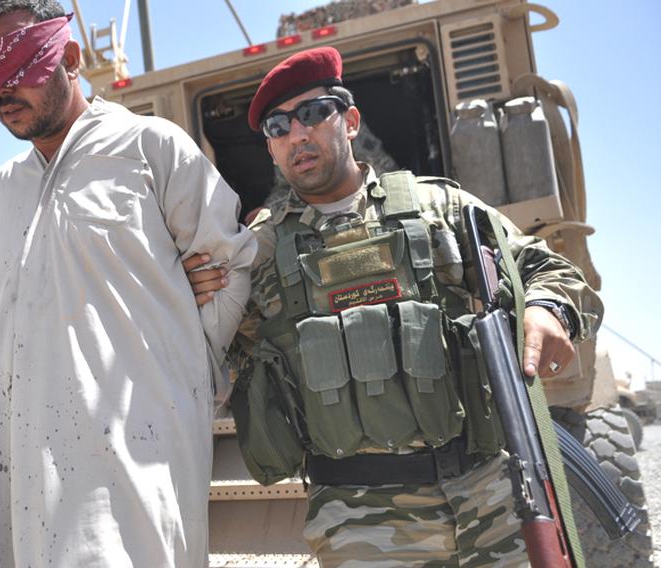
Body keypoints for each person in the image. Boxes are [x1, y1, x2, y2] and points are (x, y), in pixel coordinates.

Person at [228, 46, 604, 567]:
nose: (297, 135)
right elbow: (213, 351)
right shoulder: (258, 252)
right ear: (270, 149)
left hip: (490, 493)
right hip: (362, 520)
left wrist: (545, 309)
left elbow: (549, 269)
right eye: (277, 127)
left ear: (350, 121)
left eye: (313, 114)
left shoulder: (439, 208)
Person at [0, 1, 257, 566]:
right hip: (19, 456)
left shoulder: (151, 148)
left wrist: (184, 374)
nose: (2, 92)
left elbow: (228, 265)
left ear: (69, 57)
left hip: (133, 452)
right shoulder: (3, 190)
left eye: (19, 69)